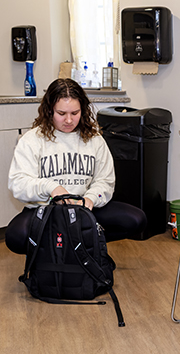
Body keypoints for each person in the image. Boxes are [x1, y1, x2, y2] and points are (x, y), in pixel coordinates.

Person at [5, 78, 147, 255]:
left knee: (136, 219)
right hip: (45, 212)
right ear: (49, 110)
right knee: (15, 236)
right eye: (61, 113)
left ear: (83, 110)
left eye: (75, 112)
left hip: (85, 210)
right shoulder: (32, 140)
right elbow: (18, 183)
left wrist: (91, 198)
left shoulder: (94, 140)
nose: (69, 120)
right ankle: (68, 248)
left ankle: (75, 246)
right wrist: (51, 188)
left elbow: (105, 181)